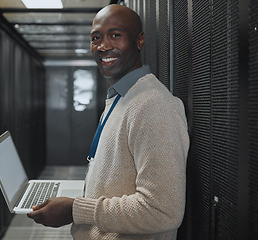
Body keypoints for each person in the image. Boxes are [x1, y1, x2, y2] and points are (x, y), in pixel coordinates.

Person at [27, 4, 189, 240]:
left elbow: (162, 210)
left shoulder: (153, 105)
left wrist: (75, 209)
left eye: (115, 35)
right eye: (96, 37)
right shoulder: (122, 97)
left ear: (139, 40)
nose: (103, 46)